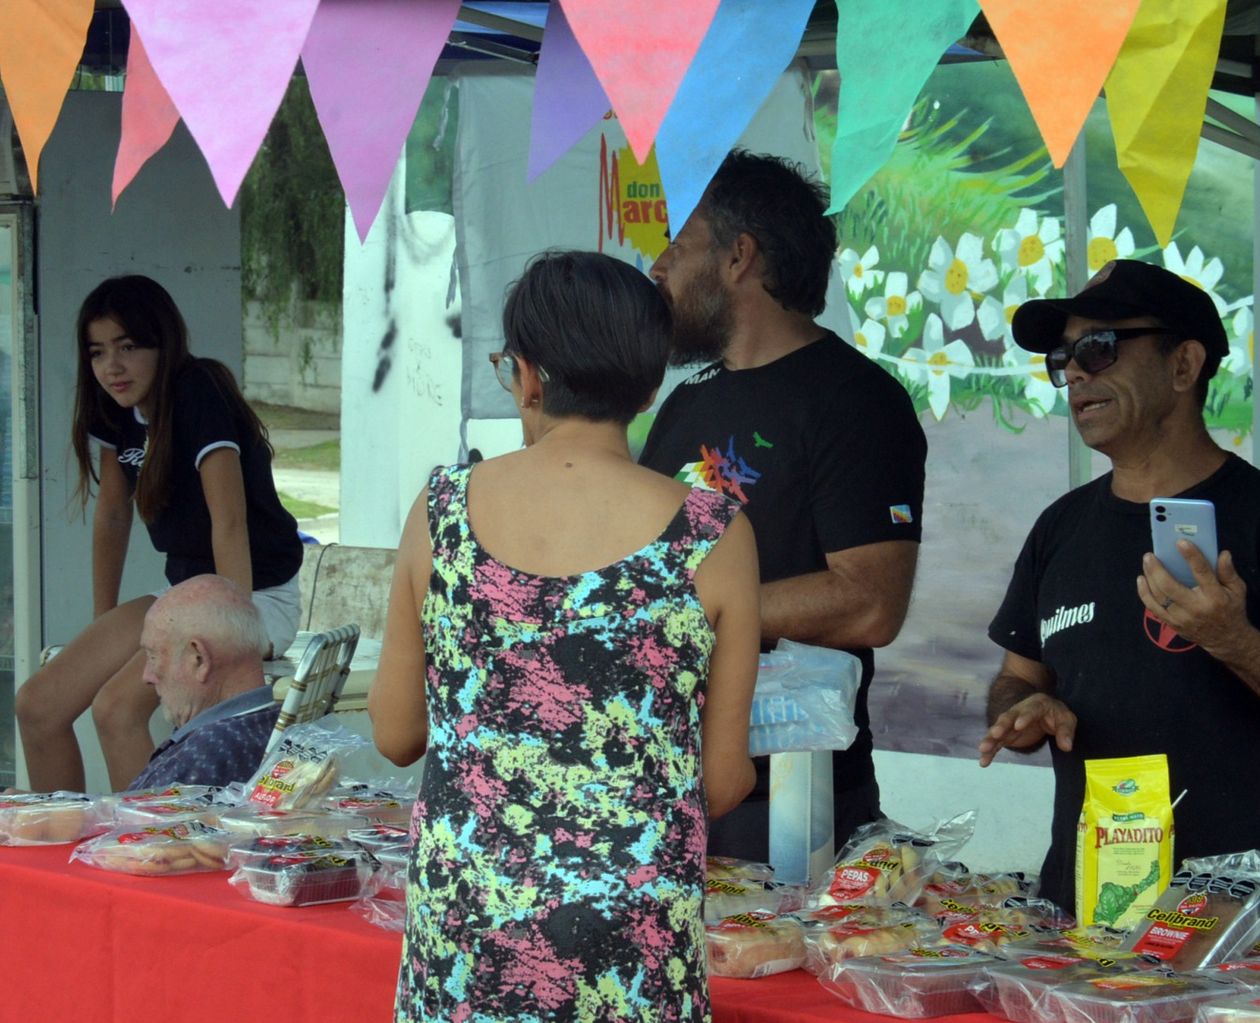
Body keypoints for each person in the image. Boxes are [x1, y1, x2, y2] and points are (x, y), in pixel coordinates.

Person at [369, 251, 760, 1023]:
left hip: (467, 937)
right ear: (651, 387)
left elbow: (395, 731)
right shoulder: (714, 533)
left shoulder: (443, 511)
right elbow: (722, 777)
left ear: (528, 375)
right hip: (635, 950)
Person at [978, 259, 1260, 929]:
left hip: (1243, 942)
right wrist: (1025, 709)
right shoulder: (1059, 528)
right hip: (1087, 925)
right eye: (1063, 358)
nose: (1076, 373)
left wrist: (1235, 640)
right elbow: (1016, 677)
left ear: (1184, 365)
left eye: (1099, 349)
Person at [639, 150, 927, 860]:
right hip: (664, 779)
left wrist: (704, 611)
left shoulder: (856, 401)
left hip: (792, 797)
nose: (659, 268)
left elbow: (871, 603)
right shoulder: (687, 401)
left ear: (739, 257)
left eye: (679, 245)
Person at [16, 275, 303, 793]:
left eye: (128, 347)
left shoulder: (199, 391)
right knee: (39, 704)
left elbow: (230, 521)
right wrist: (103, 626)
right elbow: (112, 516)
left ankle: (151, 854)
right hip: (183, 593)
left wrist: (228, 628)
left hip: (253, 595)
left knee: (117, 709)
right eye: (98, 351)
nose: (112, 367)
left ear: (162, 342)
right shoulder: (117, 407)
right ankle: (54, 850)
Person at [128, 574, 279, 790]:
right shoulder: (284, 725)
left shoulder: (203, 755)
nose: (147, 676)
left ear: (199, 659)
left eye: (153, 656)